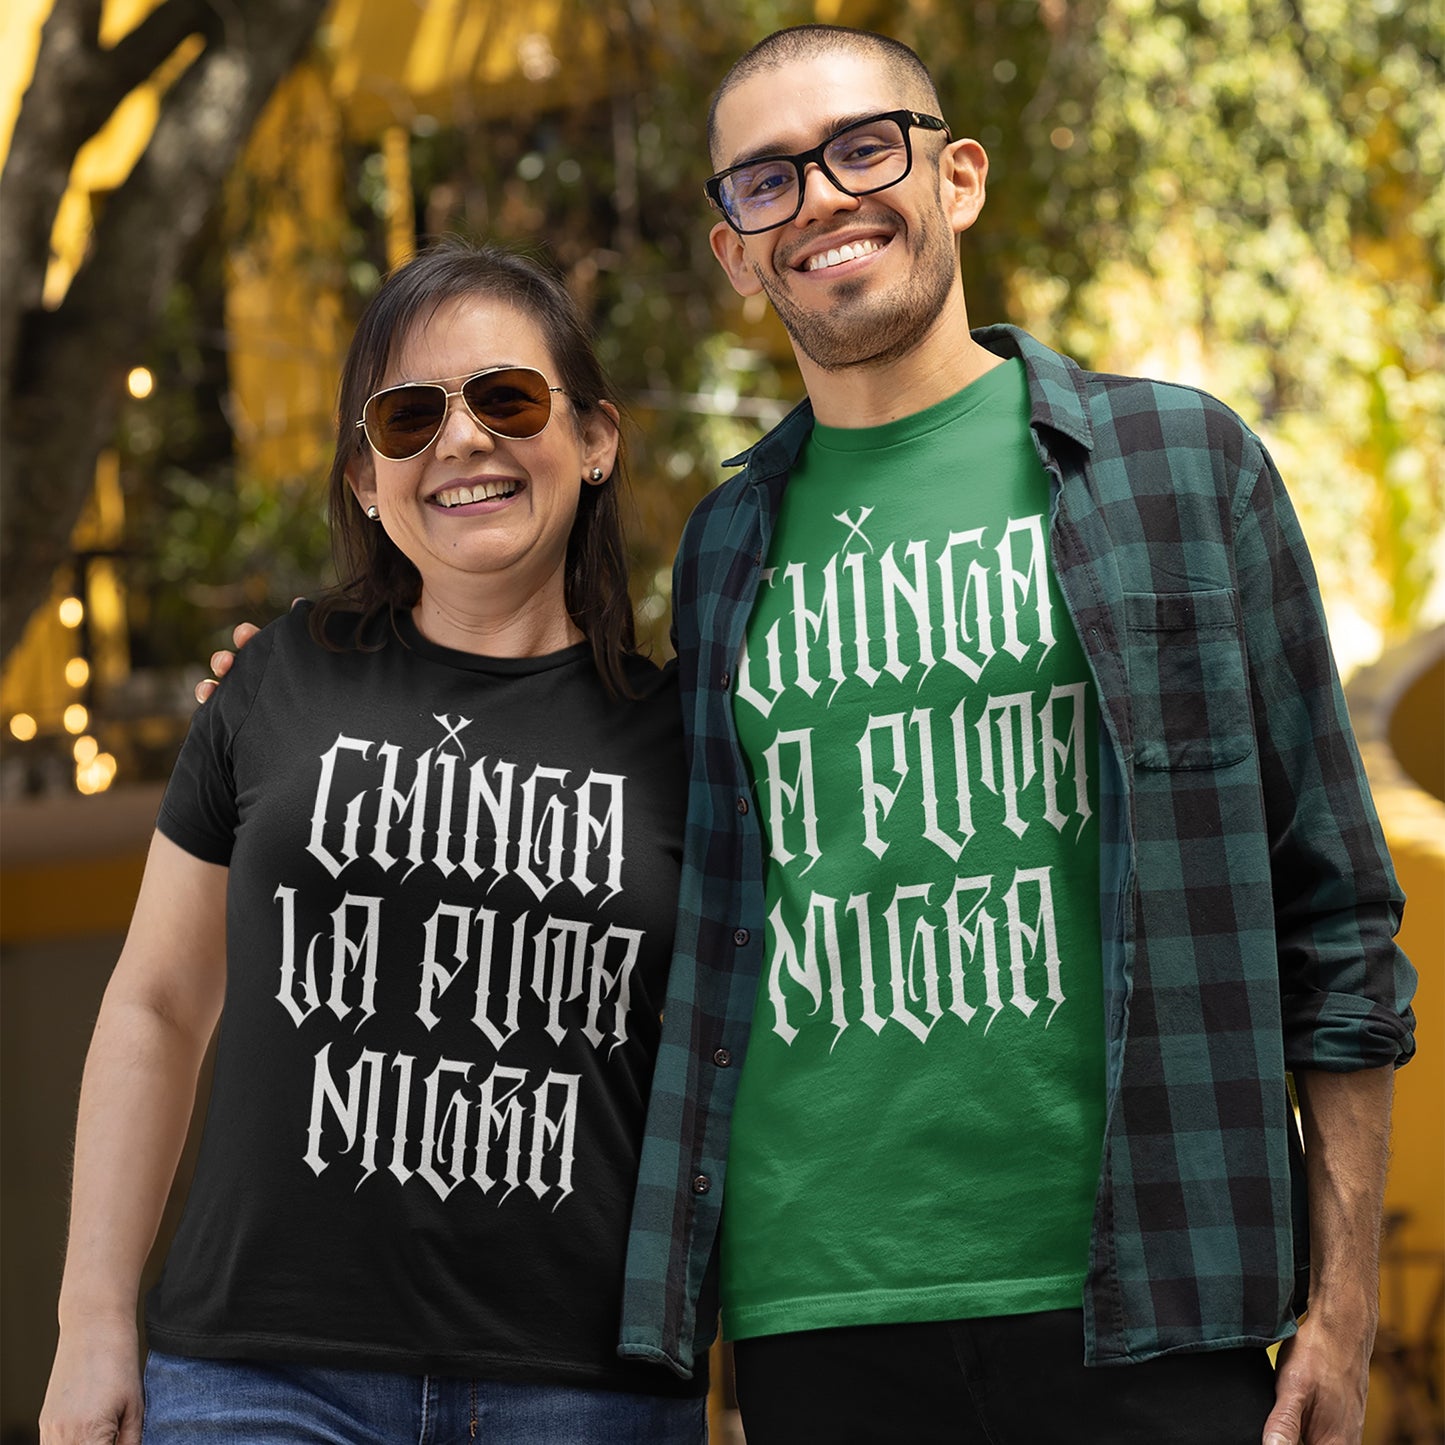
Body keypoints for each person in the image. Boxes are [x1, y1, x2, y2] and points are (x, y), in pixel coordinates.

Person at [608, 24, 1417, 1445]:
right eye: (765, 181)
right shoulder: (724, 544)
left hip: (1153, 1291)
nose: (819, 199)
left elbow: (1337, 915)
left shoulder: (1181, 466)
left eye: (864, 147)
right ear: (736, 250)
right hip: (818, 1312)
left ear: (957, 176)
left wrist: (1342, 1308)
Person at [40, 239, 709, 1444]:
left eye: (506, 398)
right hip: (259, 1378)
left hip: (584, 1389)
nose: (460, 441)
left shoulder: (688, 736)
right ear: (365, 475)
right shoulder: (274, 679)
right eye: (409, 417)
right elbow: (157, 1003)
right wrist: (89, 1319)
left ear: (596, 436)